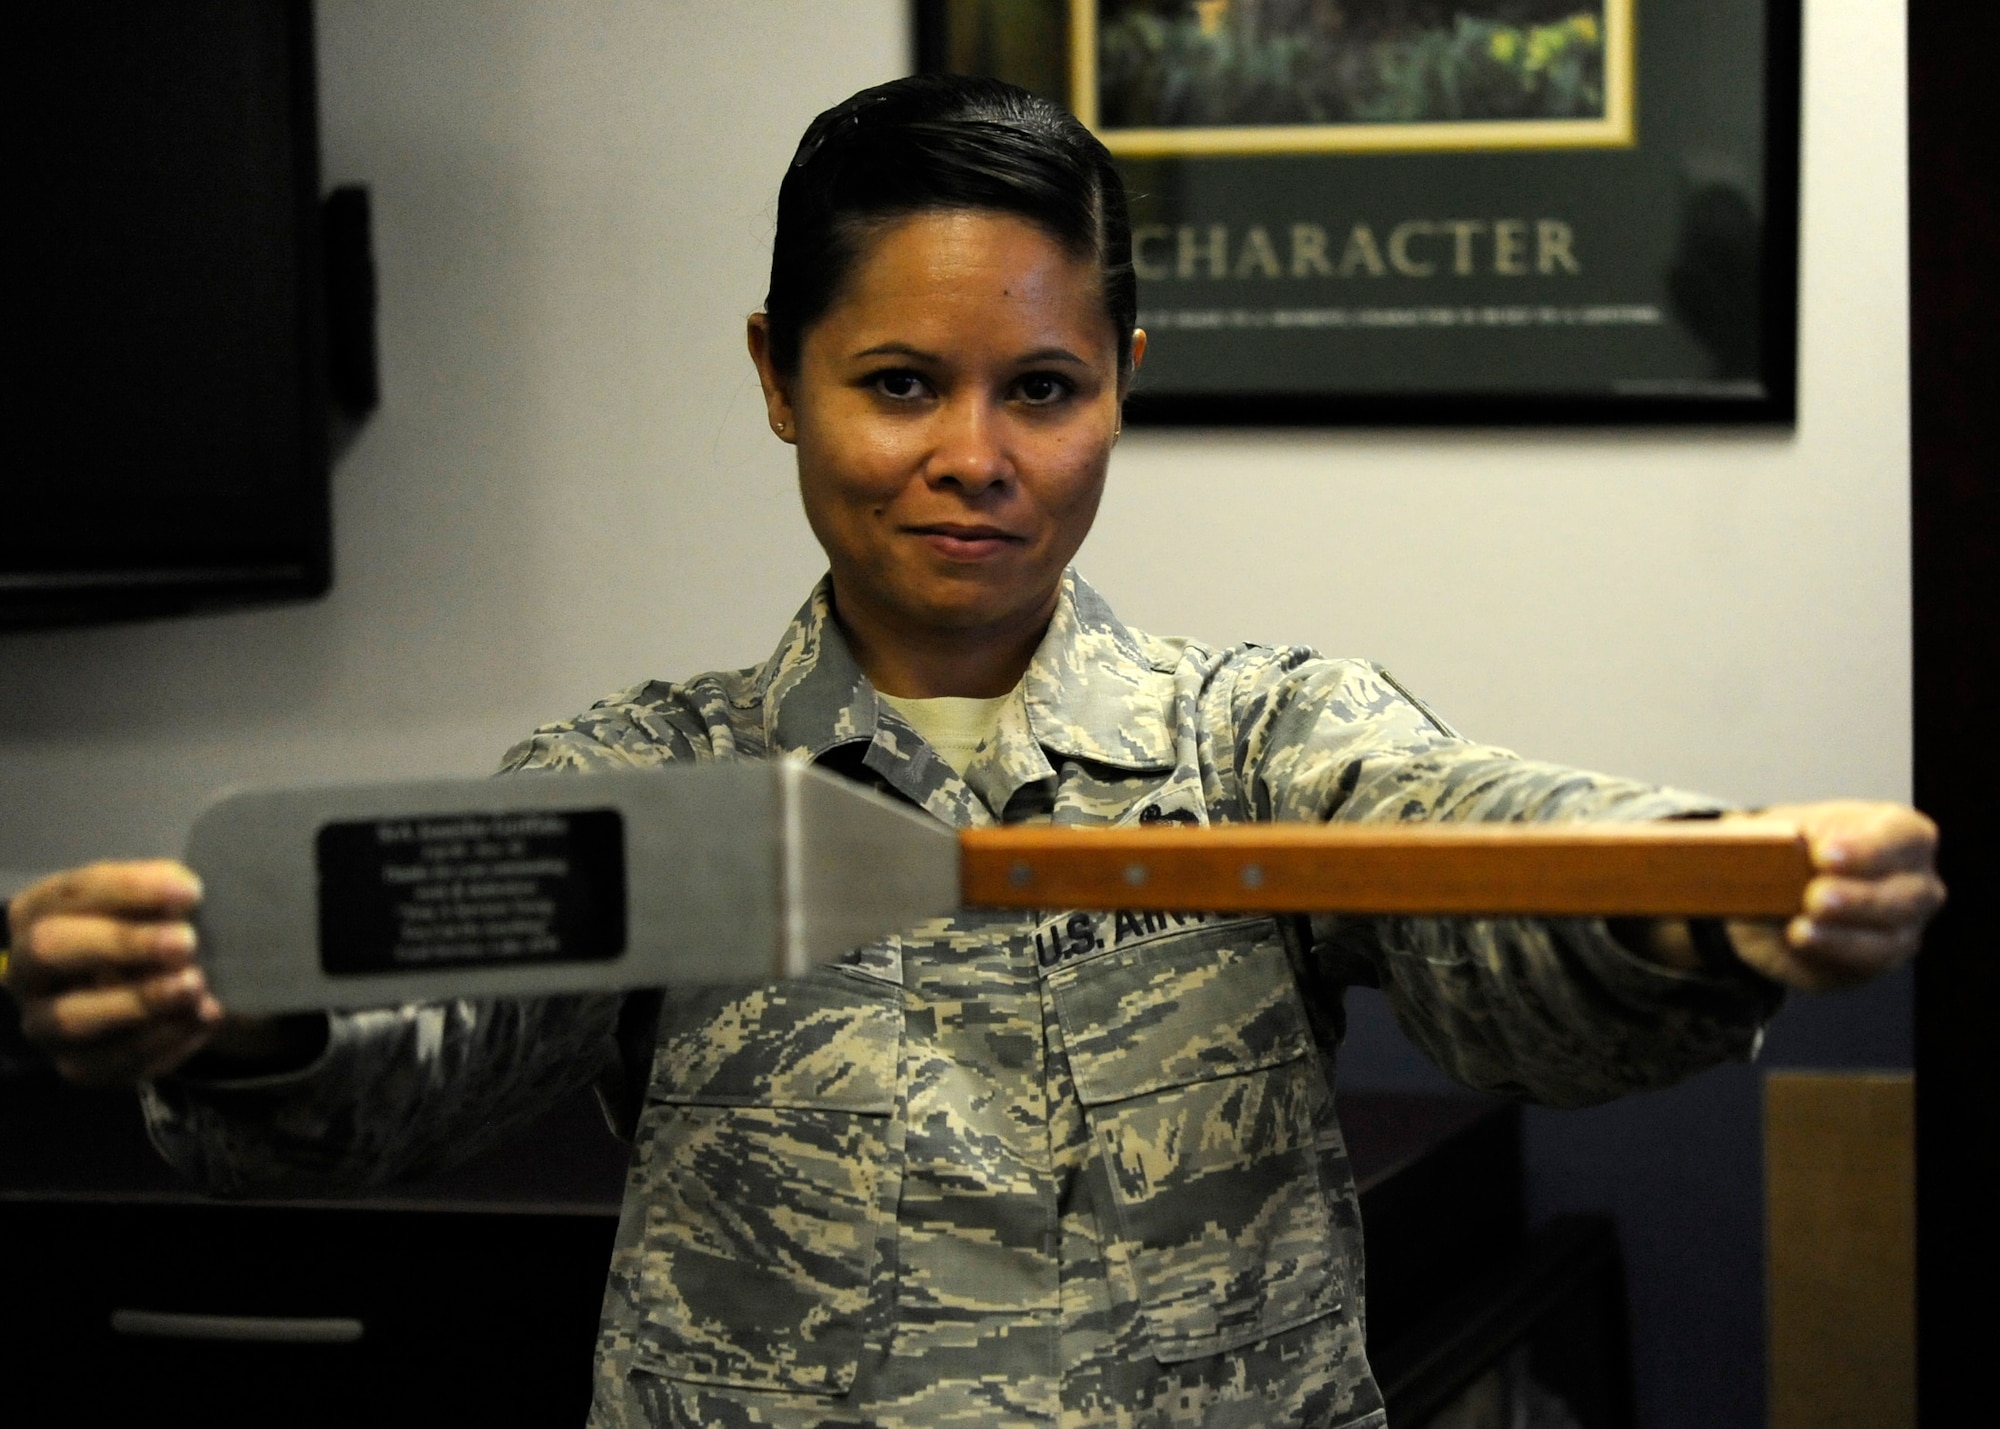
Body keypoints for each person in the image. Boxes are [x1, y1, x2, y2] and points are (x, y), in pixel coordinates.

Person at [2, 76, 1941, 1428]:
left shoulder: (1249, 742)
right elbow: (423, 1035)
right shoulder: (660, 783)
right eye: (899, 383)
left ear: (1125, 387)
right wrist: (228, 1010)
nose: (974, 459)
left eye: (1042, 389)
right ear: (775, 376)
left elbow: (1483, 863)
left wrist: (1720, 890)